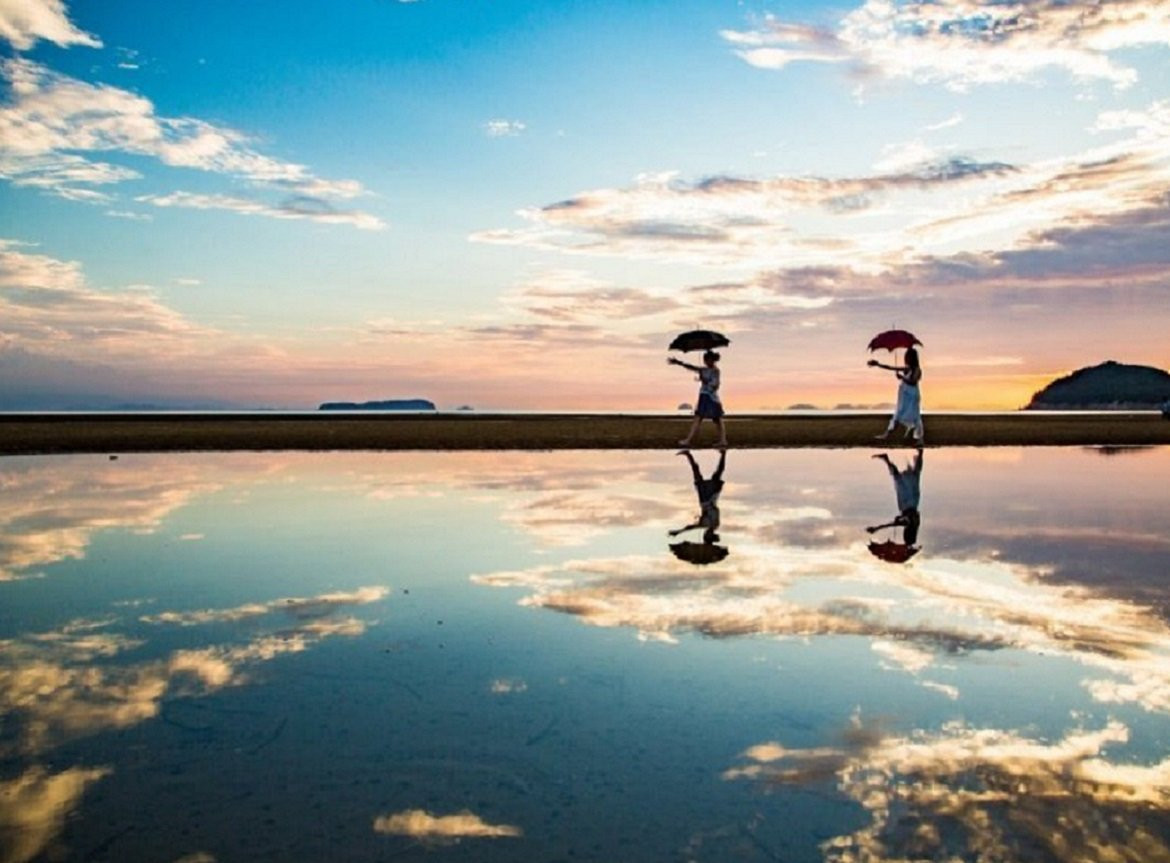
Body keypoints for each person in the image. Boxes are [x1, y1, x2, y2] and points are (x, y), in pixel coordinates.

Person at [668, 350, 727, 448]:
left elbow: (716, 386)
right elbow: (691, 367)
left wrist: (704, 380)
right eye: (705, 360)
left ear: (712, 360)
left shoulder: (716, 371)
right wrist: (678, 363)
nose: (706, 362)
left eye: (707, 360)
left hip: (712, 398)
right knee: (698, 418)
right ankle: (688, 440)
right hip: (703, 396)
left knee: (717, 419)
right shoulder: (703, 370)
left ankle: (723, 440)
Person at [868, 346, 924, 444]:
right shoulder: (907, 369)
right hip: (905, 396)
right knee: (898, 414)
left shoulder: (917, 370)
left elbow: (913, 381)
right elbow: (891, 367)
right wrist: (878, 364)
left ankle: (919, 439)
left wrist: (902, 378)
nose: (906, 358)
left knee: (915, 416)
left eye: (908, 356)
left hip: (912, 396)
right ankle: (886, 434)